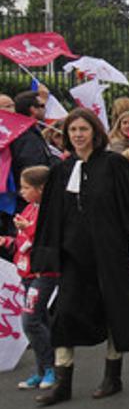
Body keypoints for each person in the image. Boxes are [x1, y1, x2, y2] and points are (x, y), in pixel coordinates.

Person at [30, 108, 129, 406]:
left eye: (83, 130)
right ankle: (63, 383)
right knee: (63, 314)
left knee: (114, 310)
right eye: (72, 130)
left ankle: (112, 376)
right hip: (75, 256)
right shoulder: (61, 171)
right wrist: (47, 257)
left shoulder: (113, 164)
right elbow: (49, 218)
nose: (77, 135)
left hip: (110, 252)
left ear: (95, 132)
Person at [9, 166, 55, 390]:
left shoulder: (51, 212)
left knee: (30, 320)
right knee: (41, 319)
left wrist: (27, 230)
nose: (22, 191)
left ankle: (49, 367)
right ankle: (42, 368)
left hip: (43, 272)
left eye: (27, 187)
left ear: (41, 189)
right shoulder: (29, 209)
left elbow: (46, 238)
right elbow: (21, 242)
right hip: (26, 272)